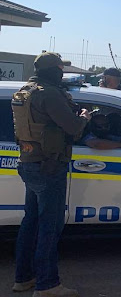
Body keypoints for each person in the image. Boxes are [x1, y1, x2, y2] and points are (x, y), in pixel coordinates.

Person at [11, 52, 91, 297]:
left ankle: (24, 278)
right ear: (54, 70)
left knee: (31, 223)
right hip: (49, 166)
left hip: (29, 162)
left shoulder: (26, 90)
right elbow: (73, 128)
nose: (62, 73)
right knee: (49, 226)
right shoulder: (49, 93)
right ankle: (47, 285)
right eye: (60, 69)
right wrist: (85, 117)